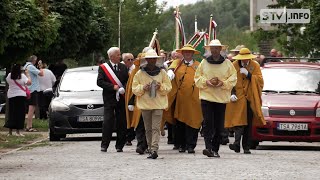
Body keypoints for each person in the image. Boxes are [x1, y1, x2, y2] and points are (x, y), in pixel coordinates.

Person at [194, 39, 237, 158]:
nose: (215, 50)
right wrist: (206, 81)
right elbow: (197, 78)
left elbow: (233, 78)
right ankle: (208, 147)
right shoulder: (203, 63)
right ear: (210, 50)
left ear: (220, 50)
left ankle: (215, 148)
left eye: (217, 48)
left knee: (219, 125)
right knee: (207, 123)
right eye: (212, 48)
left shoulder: (228, 63)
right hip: (206, 97)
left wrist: (223, 83)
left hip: (221, 98)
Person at [132, 49, 172, 159]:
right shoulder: (139, 73)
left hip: (158, 104)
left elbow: (168, 87)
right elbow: (134, 89)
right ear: (146, 60)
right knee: (148, 128)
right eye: (150, 59)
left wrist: (160, 87)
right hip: (145, 104)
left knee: (155, 128)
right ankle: (150, 148)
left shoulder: (163, 73)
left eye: (154, 59)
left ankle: (154, 149)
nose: (152, 61)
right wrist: (143, 88)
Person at [225, 48, 266, 154]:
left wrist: (249, 75)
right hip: (238, 98)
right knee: (238, 122)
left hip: (250, 98)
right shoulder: (234, 65)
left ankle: (246, 146)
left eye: (246, 59)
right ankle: (237, 144)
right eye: (242, 59)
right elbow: (229, 80)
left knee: (248, 122)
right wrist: (232, 93)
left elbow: (260, 81)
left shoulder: (255, 65)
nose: (244, 61)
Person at [164, 44, 202, 153]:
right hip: (180, 99)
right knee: (180, 123)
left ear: (193, 53)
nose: (187, 54)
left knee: (193, 122)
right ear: (182, 53)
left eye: (189, 52)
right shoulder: (177, 63)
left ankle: (191, 145)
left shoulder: (198, 65)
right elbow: (171, 67)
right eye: (185, 52)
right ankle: (181, 144)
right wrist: (170, 71)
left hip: (194, 99)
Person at [97, 47, 129, 152]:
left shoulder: (124, 67)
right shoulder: (103, 67)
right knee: (108, 122)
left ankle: (119, 146)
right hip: (109, 99)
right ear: (111, 56)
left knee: (122, 122)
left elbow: (127, 81)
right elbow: (100, 82)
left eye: (120, 54)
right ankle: (104, 145)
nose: (120, 56)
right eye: (118, 55)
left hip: (121, 99)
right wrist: (112, 87)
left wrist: (123, 88)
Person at [125, 47, 151, 154]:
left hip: (151, 102)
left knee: (149, 125)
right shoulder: (136, 71)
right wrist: (131, 101)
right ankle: (141, 145)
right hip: (139, 102)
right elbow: (131, 89)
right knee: (140, 124)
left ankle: (149, 145)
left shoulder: (156, 71)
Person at [4, 64, 31, 136]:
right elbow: (29, 83)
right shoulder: (22, 76)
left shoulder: (9, 75)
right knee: (20, 114)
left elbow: (7, 81)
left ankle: (10, 132)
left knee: (12, 113)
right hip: (21, 96)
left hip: (11, 95)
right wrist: (28, 75)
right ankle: (18, 132)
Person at [23, 55, 44, 132]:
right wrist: (40, 67)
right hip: (33, 89)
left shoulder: (26, 66)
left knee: (30, 108)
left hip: (28, 89)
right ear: (34, 61)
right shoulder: (31, 67)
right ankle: (29, 126)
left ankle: (29, 125)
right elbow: (41, 74)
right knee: (31, 108)